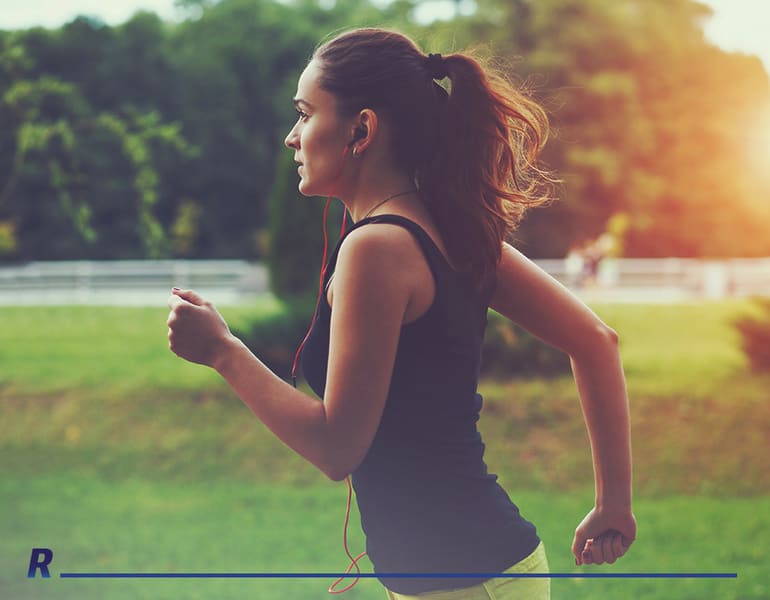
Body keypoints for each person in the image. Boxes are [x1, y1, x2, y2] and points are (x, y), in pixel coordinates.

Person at [167, 27, 636, 599]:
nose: (292, 137)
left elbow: (337, 447)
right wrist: (613, 506)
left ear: (361, 130)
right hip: (475, 572)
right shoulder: (454, 229)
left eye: (306, 114)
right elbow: (595, 341)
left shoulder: (377, 249)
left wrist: (223, 351)